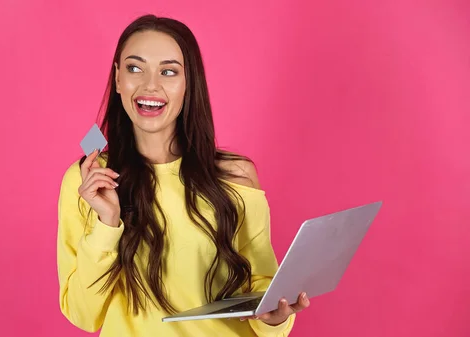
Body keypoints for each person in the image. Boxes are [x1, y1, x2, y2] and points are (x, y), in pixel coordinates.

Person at [56, 14, 310, 337]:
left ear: (189, 83)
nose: (150, 85)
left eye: (168, 71)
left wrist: (276, 317)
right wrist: (107, 225)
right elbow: (83, 314)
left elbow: (262, 291)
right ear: (118, 78)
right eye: (135, 68)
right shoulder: (88, 182)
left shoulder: (236, 176)